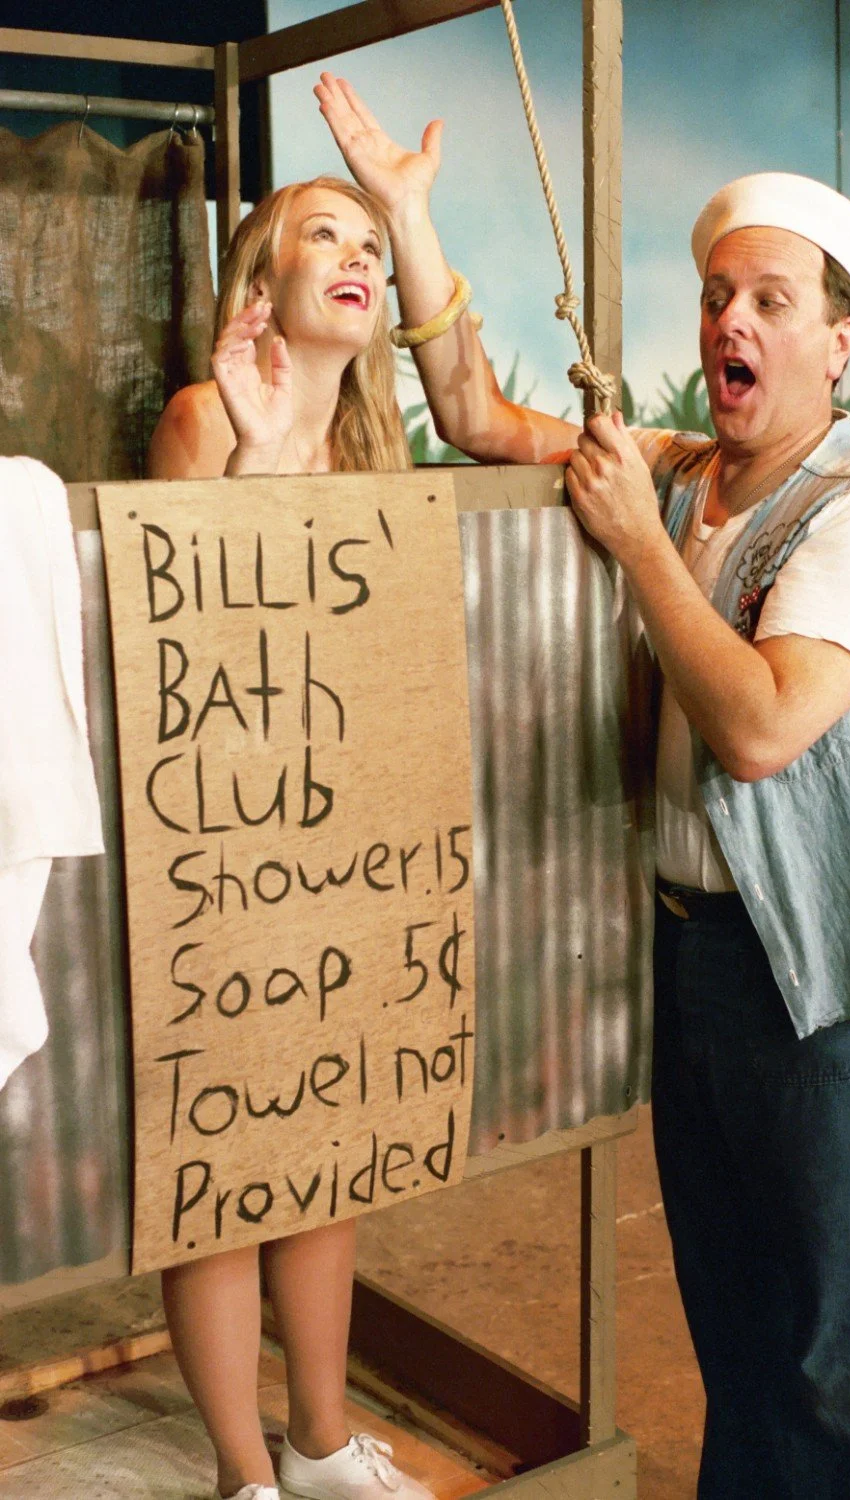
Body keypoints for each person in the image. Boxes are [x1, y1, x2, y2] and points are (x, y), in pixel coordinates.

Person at [317, 75, 850, 1500]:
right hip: (696, 964)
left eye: (772, 303)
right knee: (738, 1336)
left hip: (825, 998)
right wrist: (410, 224)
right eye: (719, 295)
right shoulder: (684, 477)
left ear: (839, 346)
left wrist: (640, 547)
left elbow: (760, 728)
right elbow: (477, 412)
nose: (730, 321)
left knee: (833, 1364)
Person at [148, 176, 432, 1500]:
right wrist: (257, 464)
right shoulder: (205, 421)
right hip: (221, 855)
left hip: (346, 853)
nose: (360, 256)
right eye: (332, 233)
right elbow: (190, 659)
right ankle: (244, 1470)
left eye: (372, 246)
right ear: (260, 284)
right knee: (225, 1158)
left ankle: (319, 1440)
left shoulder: (378, 456)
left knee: (330, 1140)